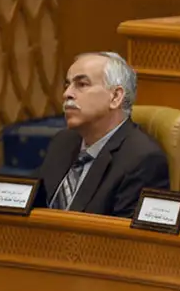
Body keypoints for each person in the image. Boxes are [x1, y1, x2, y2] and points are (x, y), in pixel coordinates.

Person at [37, 52, 169, 218]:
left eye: (81, 84)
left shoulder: (142, 160)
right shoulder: (64, 141)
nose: (67, 94)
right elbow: (32, 201)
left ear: (115, 97)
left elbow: (122, 233)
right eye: (67, 85)